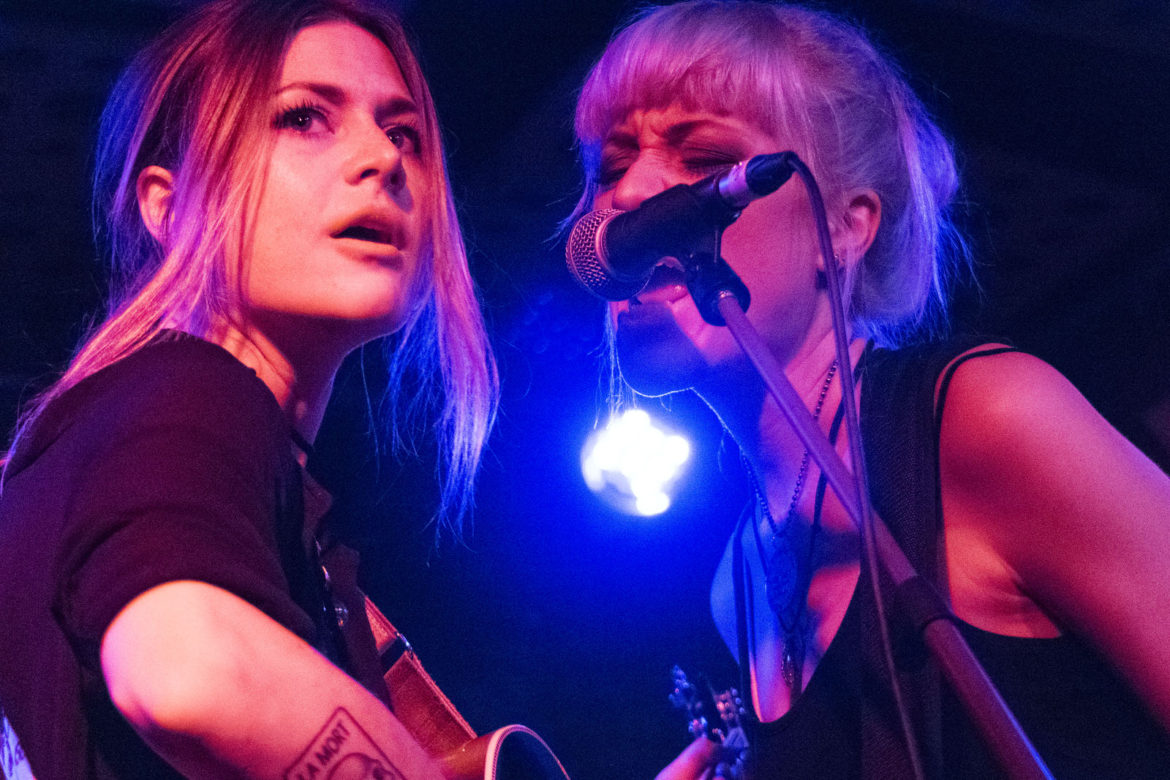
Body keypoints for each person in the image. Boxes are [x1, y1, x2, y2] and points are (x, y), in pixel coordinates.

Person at [566, 1, 1170, 777]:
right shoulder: (739, 581)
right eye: (610, 167)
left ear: (848, 228)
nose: (627, 193)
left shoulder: (985, 418)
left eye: (704, 160)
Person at [0, 1, 496, 777]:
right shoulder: (189, 394)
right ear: (169, 203)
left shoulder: (168, 434)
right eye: (303, 118)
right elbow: (189, 671)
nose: (382, 157)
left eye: (403, 132)